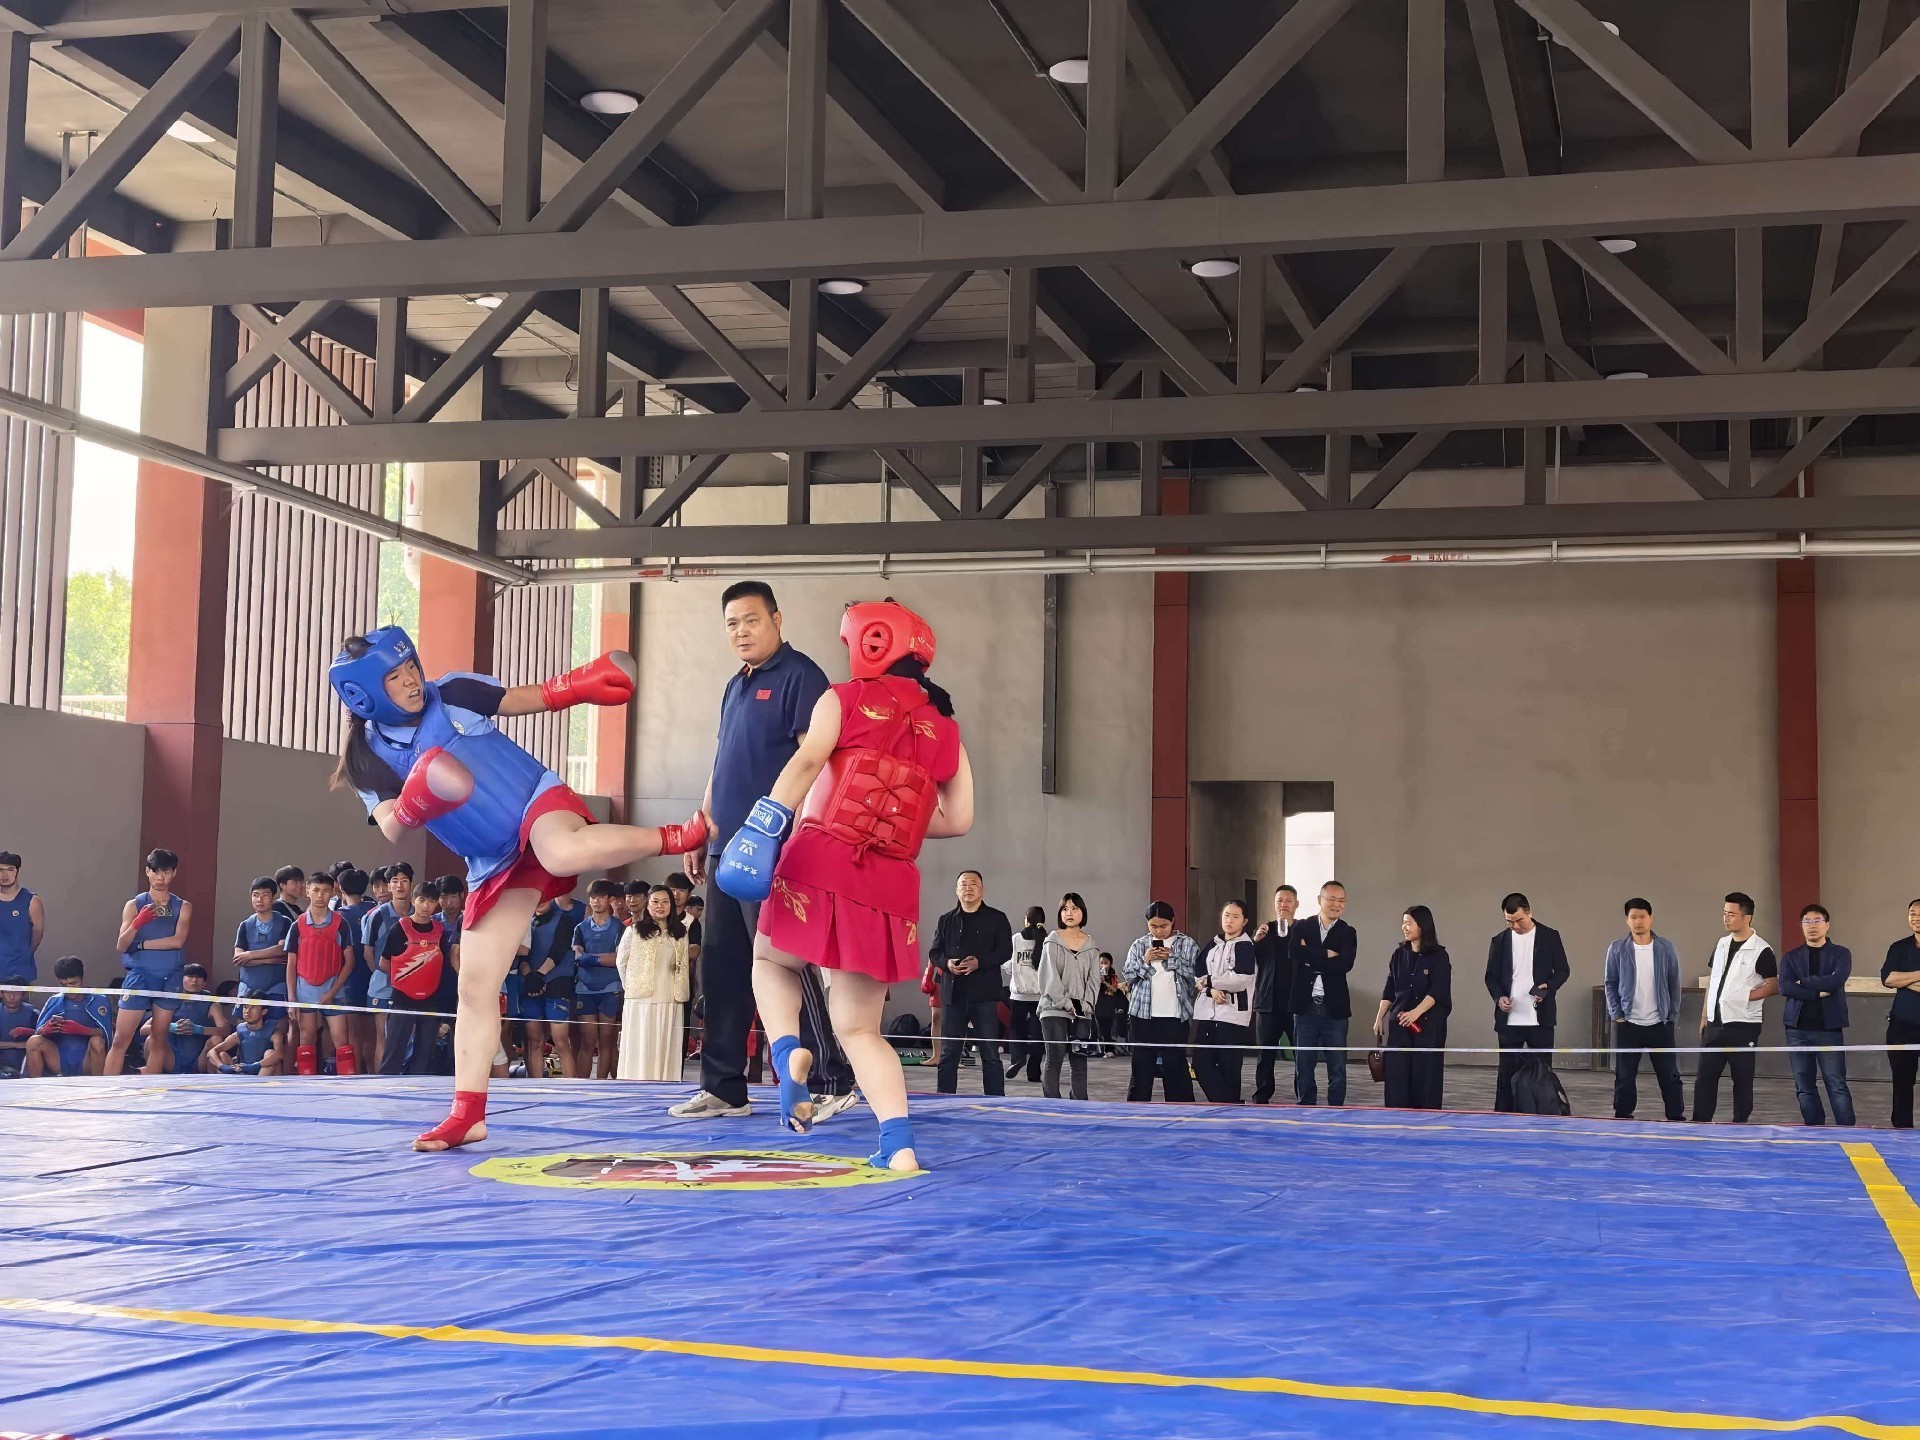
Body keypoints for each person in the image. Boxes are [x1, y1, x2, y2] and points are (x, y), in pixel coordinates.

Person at [328, 625, 705, 1148]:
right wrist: (417, 796)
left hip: (534, 801)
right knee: (474, 987)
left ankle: (677, 835)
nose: (411, 680)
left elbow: (530, 697)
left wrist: (583, 684)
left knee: (561, 850)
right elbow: (392, 826)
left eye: (410, 666)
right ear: (365, 694)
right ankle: (468, 1115)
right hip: (491, 857)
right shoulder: (367, 758)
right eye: (395, 676)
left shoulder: (453, 691)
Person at [724, 597, 972, 1171]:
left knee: (770, 960)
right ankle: (899, 1143)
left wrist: (761, 825)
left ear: (872, 642)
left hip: (821, 857)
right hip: (891, 883)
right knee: (860, 1028)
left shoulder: (844, 697)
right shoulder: (946, 729)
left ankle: (787, 1053)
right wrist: (895, 819)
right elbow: (958, 820)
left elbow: (808, 762)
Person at [681, 580, 851, 1122]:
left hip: (773, 851)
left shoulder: (801, 677)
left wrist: (795, 837)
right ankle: (724, 1087)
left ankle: (827, 1080)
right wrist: (703, 827)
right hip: (723, 850)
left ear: (777, 619)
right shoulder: (736, 685)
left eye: (751, 620)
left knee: (784, 964)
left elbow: (816, 762)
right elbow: (721, 763)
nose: (741, 631)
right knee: (722, 970)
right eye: (732, 623)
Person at [104, 849, 192, 1076]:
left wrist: (141, 944)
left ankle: (151, 1090)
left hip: (169, 976)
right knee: (120, 1039)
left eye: (166, 872)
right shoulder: (134, 905)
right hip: (140, 976)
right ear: (147, 872)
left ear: (174, 873)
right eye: (156, 871)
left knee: (159, 1039)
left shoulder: (183, 906)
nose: (161, 877)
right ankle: (105, 1090)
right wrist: (137, 923)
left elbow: (177, 941)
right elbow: (121, 945)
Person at [1693, 892, 1777, 1124]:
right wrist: (1705, 1015)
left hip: (1743, 1025)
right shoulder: (1721, 944)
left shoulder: (1762, 949)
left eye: (1731, 914)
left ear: (1747, 917)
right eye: (1724, 913)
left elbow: (1772, 985)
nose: (1726, 918)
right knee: (1705, 1078)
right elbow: (1714, 980)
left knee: (1742, 1079)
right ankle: (1700, 1122)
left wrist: (1744, 997)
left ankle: (1740, 1123)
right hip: (1714, 1023)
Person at [1485, 893, 1571, 1113]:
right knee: (1506, 1073)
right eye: (1509, 921)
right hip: (1509, 1019)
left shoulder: (1550, 936)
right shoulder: (1499, 941)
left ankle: (1544, 1112)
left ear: (1529, 912)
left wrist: (1548, 988)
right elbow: (1491, 977)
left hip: (1540, 1018)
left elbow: (1563, 970)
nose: (1515, 926)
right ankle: (1503, 1115)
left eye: (1519, 920)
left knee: (1542, 1071)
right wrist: (1498, 997)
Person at [930, 871, 1013, 1097]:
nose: (968, 888)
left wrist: (980, 962)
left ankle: (995, 1100)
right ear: (957, 890)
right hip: (953, 994)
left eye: (973, 883)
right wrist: (947, 963)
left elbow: (1005, 951)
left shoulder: (997, 918)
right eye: (963, 884)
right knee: (949, 1053)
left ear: (982, 889)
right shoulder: (946, 919)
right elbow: (935, 952)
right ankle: (944, 1099)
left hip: (984, 995)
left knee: (990, 1054)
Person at [1603, 898, 1686, 1120]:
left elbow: (1674, 983)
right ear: (1627, 920)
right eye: (1633, 917)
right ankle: (1623, 1114)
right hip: (1629, 1023)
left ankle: (1675, 1115)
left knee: (1669, 1075)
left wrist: (1671, 1016)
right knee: (1624, 1076)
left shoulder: (1665, 948)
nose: (1638, 921)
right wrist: (1617, 1015)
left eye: (1642, 916)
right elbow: (1610, 983)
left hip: (1660, 1023)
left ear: (1651, 918)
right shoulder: (1617, 949)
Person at [1780, 903, 1854, 1127]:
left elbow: (1836, 981)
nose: (1812, 925)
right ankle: (1814, 1129)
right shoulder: (1791, 957)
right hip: (1797, 1030)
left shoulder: (1841, 954)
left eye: (1817, 921)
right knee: (1804, 1086)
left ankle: (1847, 1131)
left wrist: (1803, 982)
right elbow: (1785, 987)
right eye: (1807, 921)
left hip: (1829, 1029)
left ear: (1827, 925)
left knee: (1836, 1084)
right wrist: (1816, 993)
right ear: (1801, 926)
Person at [1374, 905, 1452, 1110]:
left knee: (1425, 1075)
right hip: (1400, 1024)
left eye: (1409, 923)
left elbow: (1438, 990)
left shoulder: (1439, 956)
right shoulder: (1399, 954)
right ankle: (1397, 1115)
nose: (1404, 927)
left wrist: (1415, 1013)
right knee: (1396, 1075)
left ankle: (1425, 1117)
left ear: (1423, 925)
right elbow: (1390, 988)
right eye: (1403, 923)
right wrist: (1380, 1017)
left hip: (1427, 1026)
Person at [1288, 880, 1357, 1106]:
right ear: (1320, 900)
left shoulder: (1348, 932)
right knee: (1304, 1063)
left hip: (1334, 1007)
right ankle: (1305, 1106)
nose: (1337, 905)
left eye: (1341, 901)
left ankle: (1335, 1108)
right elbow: (1294, 953)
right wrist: (1326, 954)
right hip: (1304, 1006)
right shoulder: (1302, 926)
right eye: (1332, 899)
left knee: (1337, 1065)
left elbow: (1345, 964)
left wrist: (1309, 955)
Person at [377, 879, 456, 1076]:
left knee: (424, 1056)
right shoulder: (399, 928)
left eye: (431, 901)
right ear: (413, 900)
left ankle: (419, 1090)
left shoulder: (440, 931)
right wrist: (406, 979)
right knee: (393, 1053)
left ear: (436, 904)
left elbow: (443, 966)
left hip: (430, 999)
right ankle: (385, 1087)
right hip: (402, 999)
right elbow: (384, 962)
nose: (426, 906)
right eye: (422, 900)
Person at [1121, 902, 1198, 1102]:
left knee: (1175, 1063)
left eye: (1163, 926)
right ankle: (1137, 1106)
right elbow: (1128, 975)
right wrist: (1145, 960)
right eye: (1153, 926)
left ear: (1172, 921)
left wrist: (1171, 959)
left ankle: (1180, 1107)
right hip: (1142, 1014)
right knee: (1141, 1063)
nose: (1158, 931)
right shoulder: (1139, 944)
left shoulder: (1187, 944)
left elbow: (1195, 977)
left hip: (1175, 1014)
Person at [616, 885, 690, 1081]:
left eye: (665, 902)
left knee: (666, 1045)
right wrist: (632, 987)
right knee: (642, 1045)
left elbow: (684, 963)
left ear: (671, 906)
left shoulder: (680, 932)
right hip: (641, 1001)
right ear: (647, 905)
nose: (660, 906)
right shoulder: (634, 931)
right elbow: (621, 962)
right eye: (655, 901)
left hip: (671, 999)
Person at [286, 869, 356, 1076]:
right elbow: (291, 963)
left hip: (334, 989)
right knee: (306, 1038)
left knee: (342, 1041)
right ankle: (306, 1085)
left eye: (325, 891)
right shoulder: (297, 925)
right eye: (316, 890)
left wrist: (332, 992)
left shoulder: (341, 923)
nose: (320, 895)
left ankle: (348, 1085)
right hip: (305, 990)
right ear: (308, 890)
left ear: (332, 892)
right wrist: (292, 998)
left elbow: (349, 961)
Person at [1192, 900, 1258, 1104]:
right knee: (1201, 1064)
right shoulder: (1212, 944)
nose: (1229, 920)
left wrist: (1211, 981)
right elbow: (1198, 975)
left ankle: (1228, 1107)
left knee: (1229, 1068)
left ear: (1244, 921)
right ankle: (1229, 1103)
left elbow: (1242, 978)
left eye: (1235, 916)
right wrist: (1210, 989)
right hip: (1206, 1012)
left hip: (1232, 1015)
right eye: (1226, 915)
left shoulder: (1246, 946)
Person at [1039, 892, 1100, 1101]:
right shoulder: (1052, 940)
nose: (1069, 913)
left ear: (1083, 912)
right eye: (1065, 909)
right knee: (1054, 1056)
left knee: (1079, 1059)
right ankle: (1052, 1104)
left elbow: (1094, 980)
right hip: (1053, 1007)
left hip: (1082, 1010)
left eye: (1074, 908)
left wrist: (1085, 1005)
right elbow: (1049, 977)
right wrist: (1067, 1003)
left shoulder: (1091, 944)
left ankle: (1080, 1103)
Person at [572, 879, 626, 1080]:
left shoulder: (620, 928)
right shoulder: (581, 927)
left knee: (606, 1040)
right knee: (587, 1041)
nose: (595, 901)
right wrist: (600, 959)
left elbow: (619, 958)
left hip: (610, 988)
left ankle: (602, 1084)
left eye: (600, 897)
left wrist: (591, 959)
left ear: (610, 900)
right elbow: (577, 953)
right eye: (592, 897)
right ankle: (581, 1087)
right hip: (584, 988)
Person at [516, 895, 576, 1078]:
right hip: (530, 985)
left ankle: (572, 1087)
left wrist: (540, 976)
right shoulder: (524, 922)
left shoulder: (564, 920)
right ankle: (536, 1086)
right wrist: (530, 977)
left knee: (560, 1042)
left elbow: (559, 950)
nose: (540, 901)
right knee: (534, 1040)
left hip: (558, 984)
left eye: (545, 896)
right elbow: (521, 956)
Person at [1250, 885, 1298, 1104]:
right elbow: (1251, 961)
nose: (1283, 905)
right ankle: (1262, 1094)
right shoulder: (1264, 930)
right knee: (1265, 1053)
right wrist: (1255, 941)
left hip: (1295, 1003)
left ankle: (1303, 1094)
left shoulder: (1302, 930)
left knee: (1300, 1054)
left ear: (1296, 904)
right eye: (1279, 900)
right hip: (1267, 1002)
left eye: (1288, 901)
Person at [27, 956, 110, 1076]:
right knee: (33, 1041)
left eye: (73, 983)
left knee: (97, 1041)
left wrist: (83, 1030)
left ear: (82, 978)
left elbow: (107, 1034)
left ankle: (98, 1084)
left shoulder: (99, 1000)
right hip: (58, 1059)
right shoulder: (54, 1001)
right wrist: (46, 1029)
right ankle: (34, 1085)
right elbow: (38, 1031)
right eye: (64, 985)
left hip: (87, 1061)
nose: (69, 989)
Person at [335, 868, 379, 1077]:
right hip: (374, 976)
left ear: (341, 889)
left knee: (354, 1033)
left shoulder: (338, 916)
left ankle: (356, 1074)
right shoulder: (375, 909)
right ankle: (372, 1072)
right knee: (373, 1032)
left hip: (350, 978)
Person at [1882, 900, 1920, 1128]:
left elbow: (1898, 979)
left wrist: (1905, 980)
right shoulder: (1899, 947)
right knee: (1902, 1082)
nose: (1916, 918)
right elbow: (1888, 979)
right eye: (1912, 913)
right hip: (1902, 1025)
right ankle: (1902, 1130)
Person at [234, 875, 293, 1011]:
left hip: (277, 986)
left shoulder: (284, 921)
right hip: (248, 986)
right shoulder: (245, 925)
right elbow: (239, 958)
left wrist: (250, 955)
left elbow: (282, 949)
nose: (259, 900)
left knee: (278, 1022)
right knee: (244, 1022)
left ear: (273, 897)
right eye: (255, 895)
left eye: (265, 895)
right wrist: (269, 960)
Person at [1003, 905, 1046, 1082]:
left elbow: (1007, 964)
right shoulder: (1047, 940)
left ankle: (1017, 1058)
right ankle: (1034, 1072)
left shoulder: (1015, 939)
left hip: (1018, 994)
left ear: (1026, 920)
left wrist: (1014, 970)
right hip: (1040, 995)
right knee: (1038, 1036)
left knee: (1016, 1030)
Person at [166, 963, 224, 1075]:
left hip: (200, 1060)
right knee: (151, 1039)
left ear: (204, 982)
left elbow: (225, 1030)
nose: (194, 980)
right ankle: (152, 1074)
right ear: (181, 979)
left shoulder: (210, 1002)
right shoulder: (171, 999)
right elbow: (145, 1029)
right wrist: (171, 1027)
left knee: (217, 1039)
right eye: (190, 976)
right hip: (171, 1059)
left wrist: (198, 1029)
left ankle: (213, 1078)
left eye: (198, 977)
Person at [0, 851, 45, 986]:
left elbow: (37, 934)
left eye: (10, 869)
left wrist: (23, 955)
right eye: (0, 870)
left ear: (18, 871)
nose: (4, 875)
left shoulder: (31, 900)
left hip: (20, 973)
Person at [211, 1003, 283, 1075]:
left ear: (264, 1011)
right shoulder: (240, 1032)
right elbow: (211, 1052)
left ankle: (258, 1081)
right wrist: (222, 1066)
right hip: (243, 1073)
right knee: (221, 1055)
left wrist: (255, 1066)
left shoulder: (273, 1032)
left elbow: (280, 1054)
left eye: (253, 1007)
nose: (247, 1011)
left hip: (264, 1074)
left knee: (270, 1053)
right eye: (245, 1007)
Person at [1094, 952, 1128, 1056]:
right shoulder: (1095, 974)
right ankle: (1101, 1050)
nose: (1103, 965)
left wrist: (1104, 981)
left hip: (1109, 1005)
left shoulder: (1112, 976)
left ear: (1110, 963)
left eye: (1105, 963)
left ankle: (1109, 1050)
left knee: (1108, 1029)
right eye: (1101, 963)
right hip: (1099, 1005)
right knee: (1099, 1028)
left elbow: (1114, 989)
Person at [0, 985, 36, 1076]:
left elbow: (42, 1040)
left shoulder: (33, 1014)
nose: (12, 997)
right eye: (8, 992)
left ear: (23, 994)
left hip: (27, 1068)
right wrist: (18, 1045)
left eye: (17, 992)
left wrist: (28, 1032)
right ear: (1, 993)